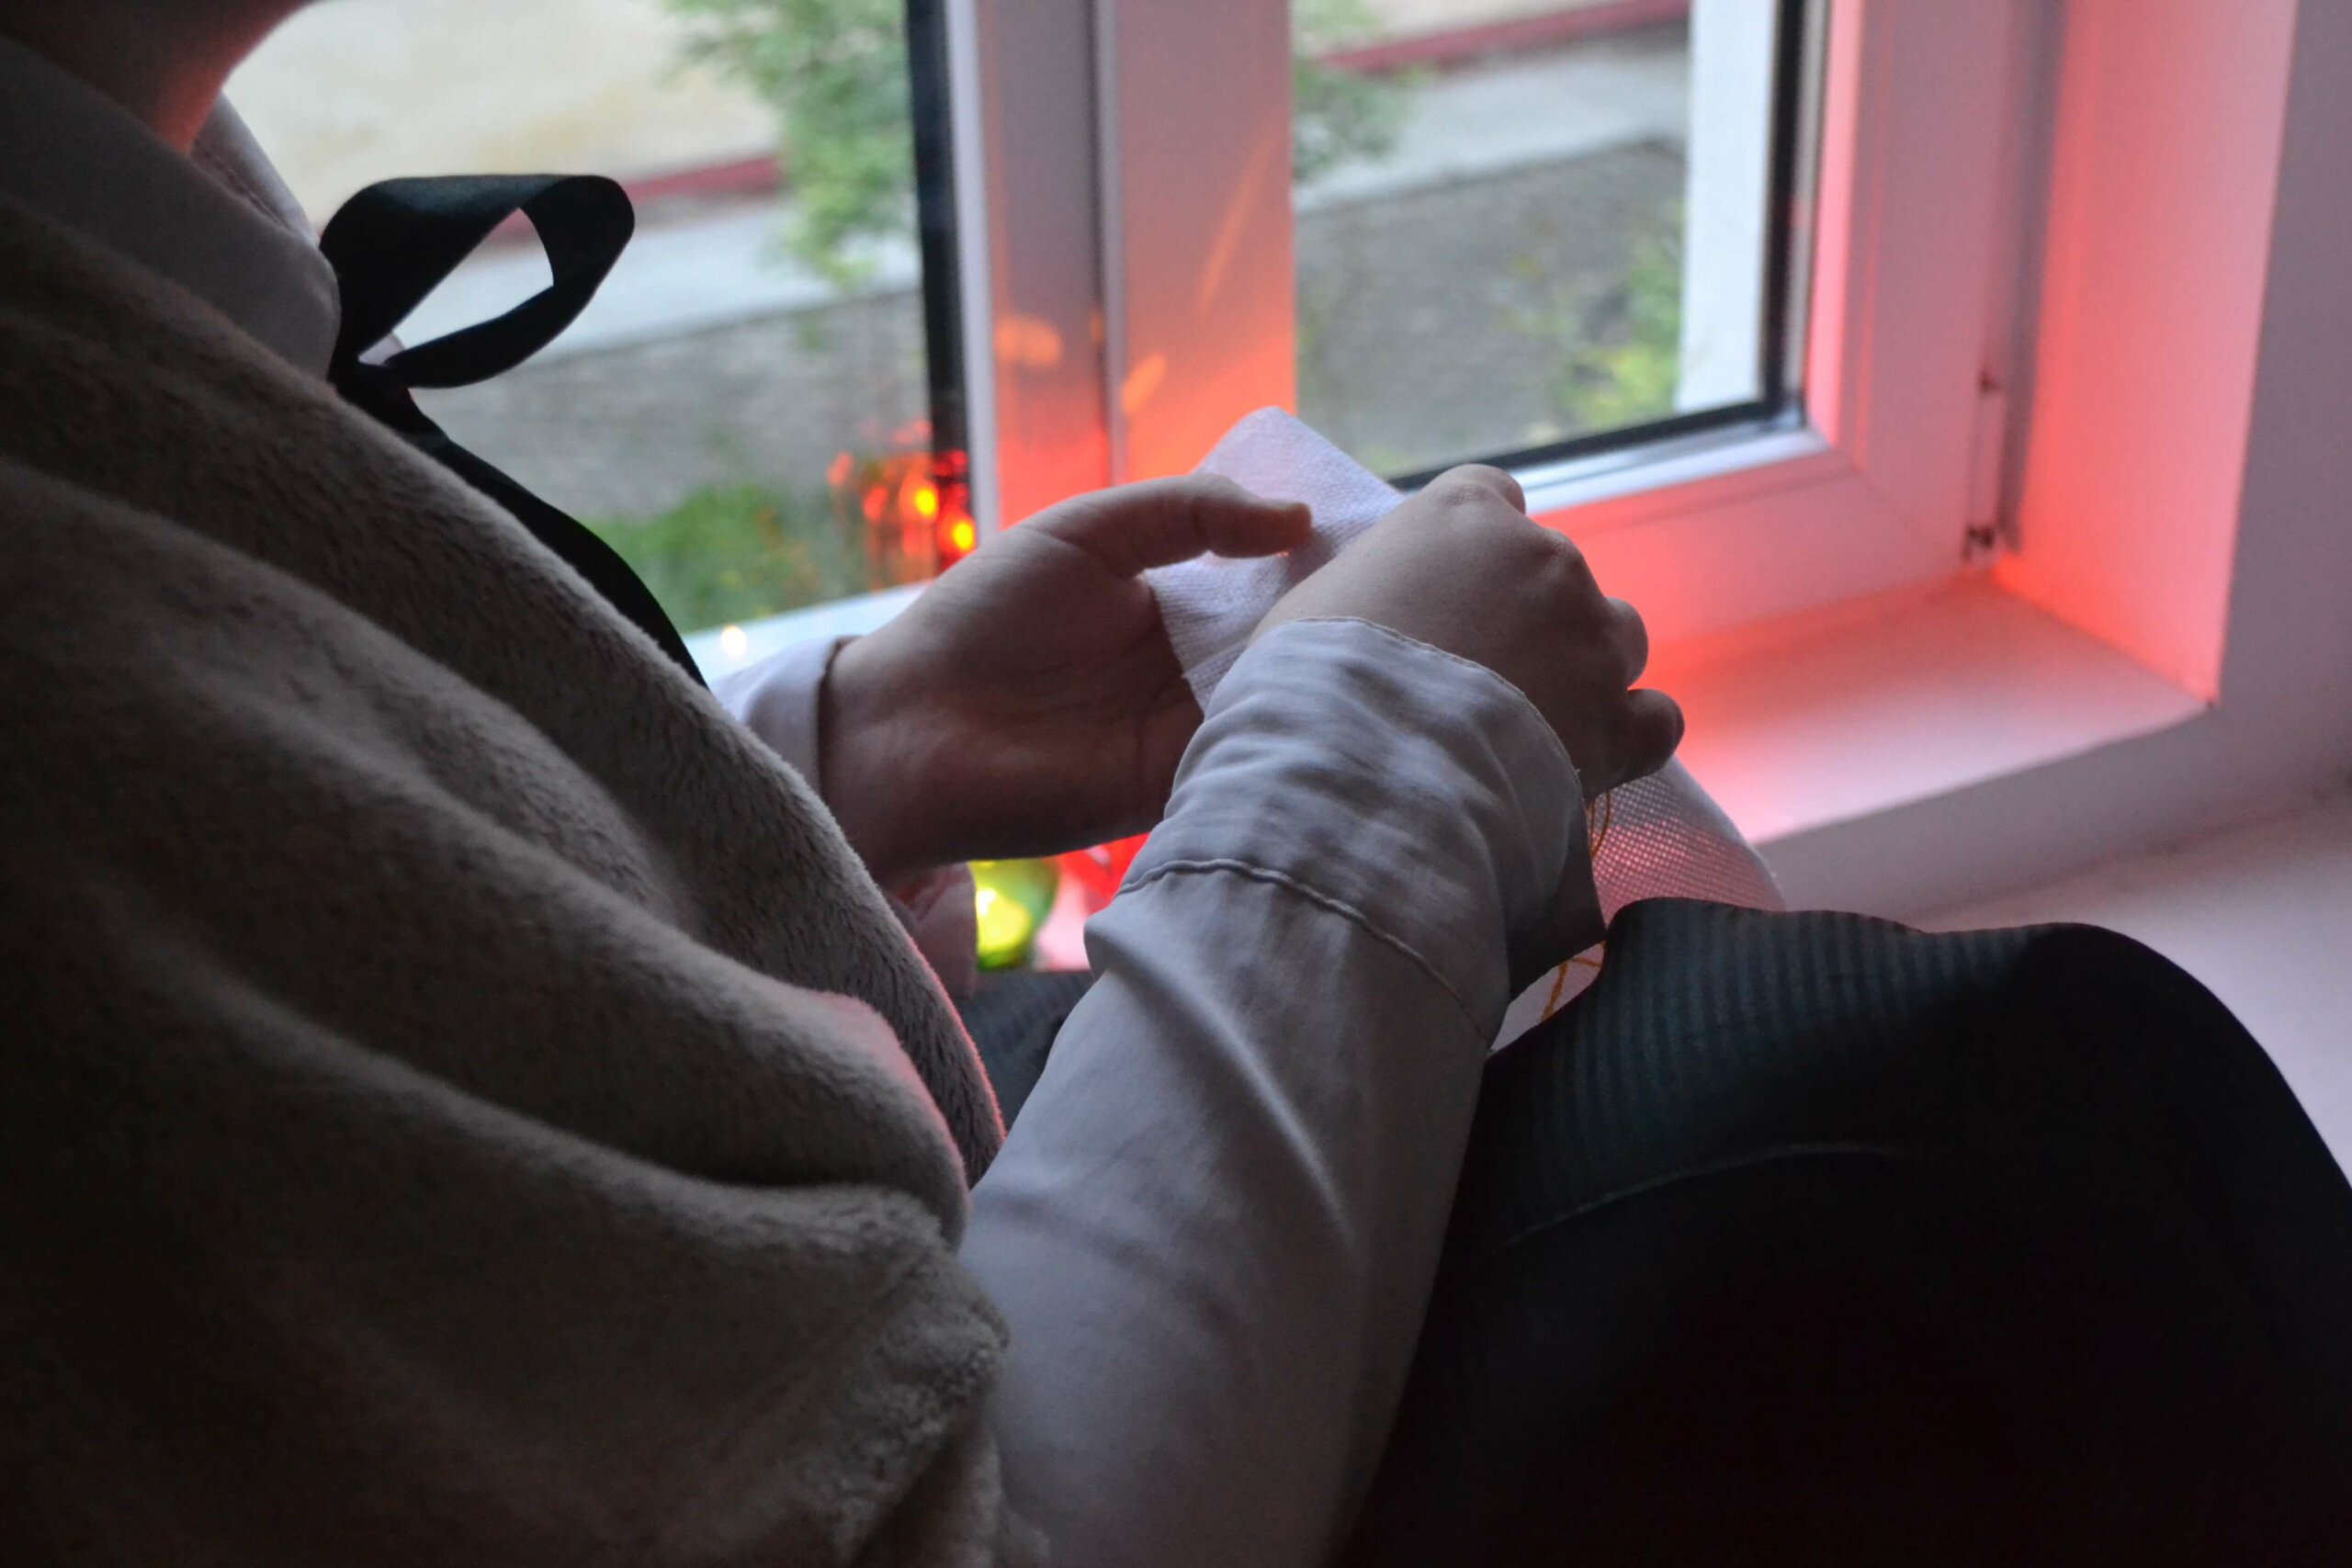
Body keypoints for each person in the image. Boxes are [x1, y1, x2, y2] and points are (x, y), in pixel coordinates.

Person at [4, 5, 2349, 1565]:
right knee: (1988, 1117)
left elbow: (342, 912)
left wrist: (818, 769)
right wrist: (1369, 750)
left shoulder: (104, 230)